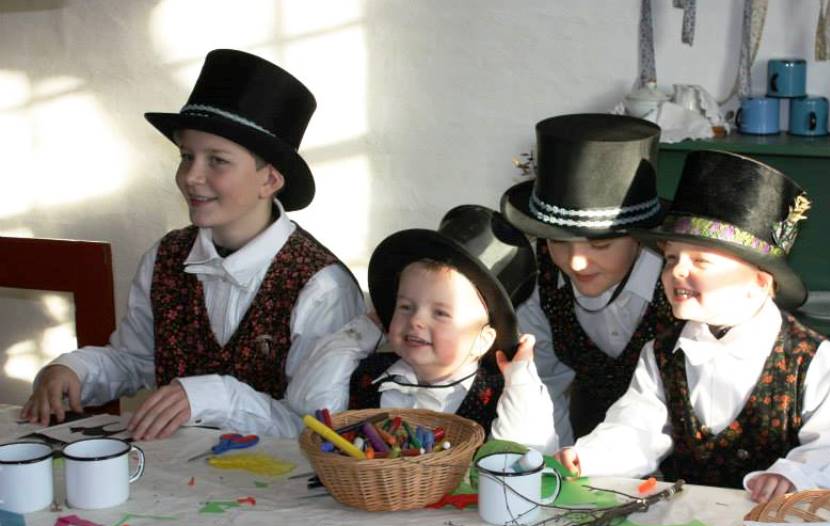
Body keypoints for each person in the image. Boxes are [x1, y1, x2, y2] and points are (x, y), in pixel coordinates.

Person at [20, 49, 364, 439]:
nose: (191, 177)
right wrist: (73, 371)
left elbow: (318, 429)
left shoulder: (321, 287)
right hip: (178, 475)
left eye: (217, 160)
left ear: (269, 180)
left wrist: (212, 396)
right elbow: (136, 360)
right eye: (187, 157)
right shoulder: (167, 257)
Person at [555, 150, 830, 503]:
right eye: (671, 258)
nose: (676, 271)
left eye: (701, 261)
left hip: (779, 523)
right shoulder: (661, 353)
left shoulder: (811, 359)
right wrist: (593, 457)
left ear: (759, 282)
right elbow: (637, 427)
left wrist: (795, 476)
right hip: (689, 517)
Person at [288, 205, 557, 452]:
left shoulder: (497, 396)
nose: (416, 320)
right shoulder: (370, 376)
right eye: (405, 306)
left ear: (482, 341)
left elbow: (528, 453)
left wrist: (520, 378)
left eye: (440, 313)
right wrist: (363, 330)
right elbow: (310, 404)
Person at [500, 113, 679, 446]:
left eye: (600, 244)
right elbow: (542, 388)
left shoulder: (680, 284)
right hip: (584, 449)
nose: (576, 262)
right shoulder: (541, 283)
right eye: (557, 241)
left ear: (641, 238)